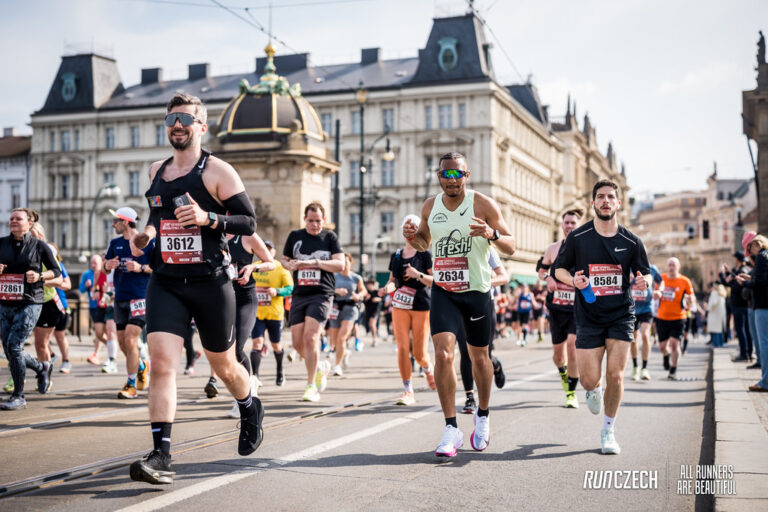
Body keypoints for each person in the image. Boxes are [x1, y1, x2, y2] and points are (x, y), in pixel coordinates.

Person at [128, 93, 263, 485]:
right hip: (166, 280)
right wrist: (146, 235)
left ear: (201, 127)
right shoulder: (156, 169)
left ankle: (249, 404)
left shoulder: (217, 171)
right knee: (162, 365)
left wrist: (209, 218)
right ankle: (161, 453)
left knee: (223, 366)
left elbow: (248, 222)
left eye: (185, 118)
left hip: (210, 281)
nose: (177, 125)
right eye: (171, 119)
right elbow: (158, 211)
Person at [404, 152, 515, 457]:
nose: (451, 180)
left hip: (476, 291)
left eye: (457, 175)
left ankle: (483, 414)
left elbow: (512, 245)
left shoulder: (482, 204)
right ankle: (451, 427)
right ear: (438, 176)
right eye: (445, 175)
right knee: (442, 354)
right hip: (444, 291)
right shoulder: (430, 206)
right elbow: (424, 243)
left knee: (479, 359)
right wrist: (413, 238)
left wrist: (491, 234)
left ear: (467, 176)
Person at [553, 179, 651, 455]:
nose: (606, 201)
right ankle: (592, 390)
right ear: (593, 203)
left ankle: (608, 430)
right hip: (588, 316)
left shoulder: (632, 241)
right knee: (588, 379)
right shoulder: (578, 238)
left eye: (610, 197)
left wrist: (645, 281)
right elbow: (558, 270)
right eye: (600, 197)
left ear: (618, 203)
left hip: (621, 314)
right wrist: (574, 279)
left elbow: (645, 272)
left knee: (616, 376)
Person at [281, 202, 344, 402]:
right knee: (298, 344)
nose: (314, 225)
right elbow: (283, 259)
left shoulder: (330, 238)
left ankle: (311, 386)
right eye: (311, 221)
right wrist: (289, 264)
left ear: (323, 221)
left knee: (311, 338)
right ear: (305, 220)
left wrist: (314, 262)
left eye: (318, 221)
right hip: (300, 294)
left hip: (322, 293)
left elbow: (340, 264)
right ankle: (320, 368)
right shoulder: (295, 236)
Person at [0, 208, 61, 410]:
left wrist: (40, 277)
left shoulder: (40, 246)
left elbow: (56, 271)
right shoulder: (1, 243)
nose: (13, 221)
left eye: (18, 219)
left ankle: (19, 396)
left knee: (15, 346)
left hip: (30, 301)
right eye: (11, 219)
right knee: (9, 350)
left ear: (29, 223)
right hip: (5, 302)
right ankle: (41, 366)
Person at [380, 214, 436, 405]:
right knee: (403, 348)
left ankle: (428, 369)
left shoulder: (424, 254)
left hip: (421, 306)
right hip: (400, 306)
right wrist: (385, 290)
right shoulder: (396, 255)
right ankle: (407, 390)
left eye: (413, 229)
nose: (409, 233)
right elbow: (392, 282)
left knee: (419, 353)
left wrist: (417, 274)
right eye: (407, 228)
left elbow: (435, 281)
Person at [221, 231, 274, 417]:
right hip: (222, 299)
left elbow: (271, 263)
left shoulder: (246, 236)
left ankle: (245, 398)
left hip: (244, 299)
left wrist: (252, 268)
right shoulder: (211, 233)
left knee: (236, 349)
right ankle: (246, 387)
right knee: (222, 351)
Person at [104, 207, 154, 399]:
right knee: (123, 343)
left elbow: (157, 268)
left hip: (140, 297)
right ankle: (141, 365)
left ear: (125, 222)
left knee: (131, 340)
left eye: (115, 220)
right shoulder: (115, 243)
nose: (113, 224)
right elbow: (105, 268)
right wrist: (108, 266)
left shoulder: (147, 242)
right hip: (120, 297)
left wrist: (140, 267)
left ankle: (131, 385)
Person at [457, 246, 509, 414]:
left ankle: (496, 366)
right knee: (465, 352)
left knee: (482, 354)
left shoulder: (486, 247)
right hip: (458, 304)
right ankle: (470, 397)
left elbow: (504, 277)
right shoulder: (453, 245)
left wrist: (484, 281)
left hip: (483, 304)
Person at [539, 209, 582, 407]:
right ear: (562, 225)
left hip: (576, 308)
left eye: (573, 223)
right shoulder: (553, 249)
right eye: (567, 223)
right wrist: (547, 278)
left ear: (578, 225)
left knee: (573, 346)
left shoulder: (586, 248)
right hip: (556, 308)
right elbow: (541, 269)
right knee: (558, 356)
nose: (570, 226)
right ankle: (564, 374)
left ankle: (571, 392)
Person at [251, 240, 293, 386]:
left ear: (274, 252)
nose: (267, 251)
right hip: (257, 313)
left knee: (276, 345)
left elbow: (290, 288)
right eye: (264, 248)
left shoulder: (280, 268)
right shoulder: (254, 267)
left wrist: (277, 291)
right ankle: (255, 376)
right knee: (257, 343)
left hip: (275, 313)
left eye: (270, 249)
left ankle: (280, 371)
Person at [655, 257, 696, 380]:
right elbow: (655, 293)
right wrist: (656, 294)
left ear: (678, 267)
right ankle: (666, 355)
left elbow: (692, 296)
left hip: (679, 317)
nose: (671, 267)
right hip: (662, 317)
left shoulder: (685, 281)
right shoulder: (661, 279)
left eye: (673, 265)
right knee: (662, 347)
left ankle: (673, 370)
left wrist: (690, 299)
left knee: (675, 343)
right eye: (669, 265)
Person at [737, 233, 768, 392]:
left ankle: (765, 382)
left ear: (756, 244)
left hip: (762, 304)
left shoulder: (762, 256)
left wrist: (745, 283)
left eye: (750, 248)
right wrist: (749, 277)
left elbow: (761, 282)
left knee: (764, 343)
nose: (751, 252)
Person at [327, 253, 365, 376]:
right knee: (334, 340)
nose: (344, 265)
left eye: (346, 262)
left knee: (342, 337)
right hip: (335, 307)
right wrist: (335, 291)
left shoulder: (356, 277)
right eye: (342, 262)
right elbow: (326, 289)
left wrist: (358, 296)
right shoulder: (334, 276)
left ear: (350, 263)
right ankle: (344, 353)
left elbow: (363, 290)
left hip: (350, 307)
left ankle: (337, 366)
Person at [629, 264, 663, 381]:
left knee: (645, 335)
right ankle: (635, 366)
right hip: (631, 308)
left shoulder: (652, 268)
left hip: (646, 308)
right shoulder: (627, 266)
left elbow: (661, 281)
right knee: (633, 338)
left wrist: (659, 290)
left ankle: (644, 367)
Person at [78, 255, 113, 366]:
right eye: (92, 263)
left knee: (109, 331)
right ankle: (111, 347)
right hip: (94, 305)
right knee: (99, 332)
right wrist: (89, 286)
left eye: (95, 263)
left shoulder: (110, 273)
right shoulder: (87, 274)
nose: (93, 265)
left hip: (108, 304)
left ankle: (101, 354)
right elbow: (82, 290)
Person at [721, 251, 754, 362]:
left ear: (738, 259)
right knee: (745, 330)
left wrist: (727, 278)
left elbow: (737, 287)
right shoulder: (742, 270)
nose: (733, 260)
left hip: (740, 305)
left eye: (735, 258)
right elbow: (731, 284)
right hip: (741, 305)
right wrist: (726, 274)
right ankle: (747, 352)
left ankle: (745, 354)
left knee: (741, 330)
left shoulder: (742, 271)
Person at [362, 280, 382, 347]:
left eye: (370, 285)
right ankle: (374, 337)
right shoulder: (366, 293)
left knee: (372, 323)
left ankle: (375, 339)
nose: (369, 286)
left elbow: (382, 299)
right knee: (370, 325)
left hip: (375, 311)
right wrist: (366, 299)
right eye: (368, 285)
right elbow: (362, 301)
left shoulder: (376, 292)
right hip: (368, 311)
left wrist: (377, 299)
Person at [707, 283, 727, 348]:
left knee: (715, 331)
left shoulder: (714, 293)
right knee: (720, 330)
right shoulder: (722, 295)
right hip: (720, 315)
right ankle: (721, 343)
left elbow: (713, 303)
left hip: (714, 315)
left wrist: (708, 309)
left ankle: (716, 344)